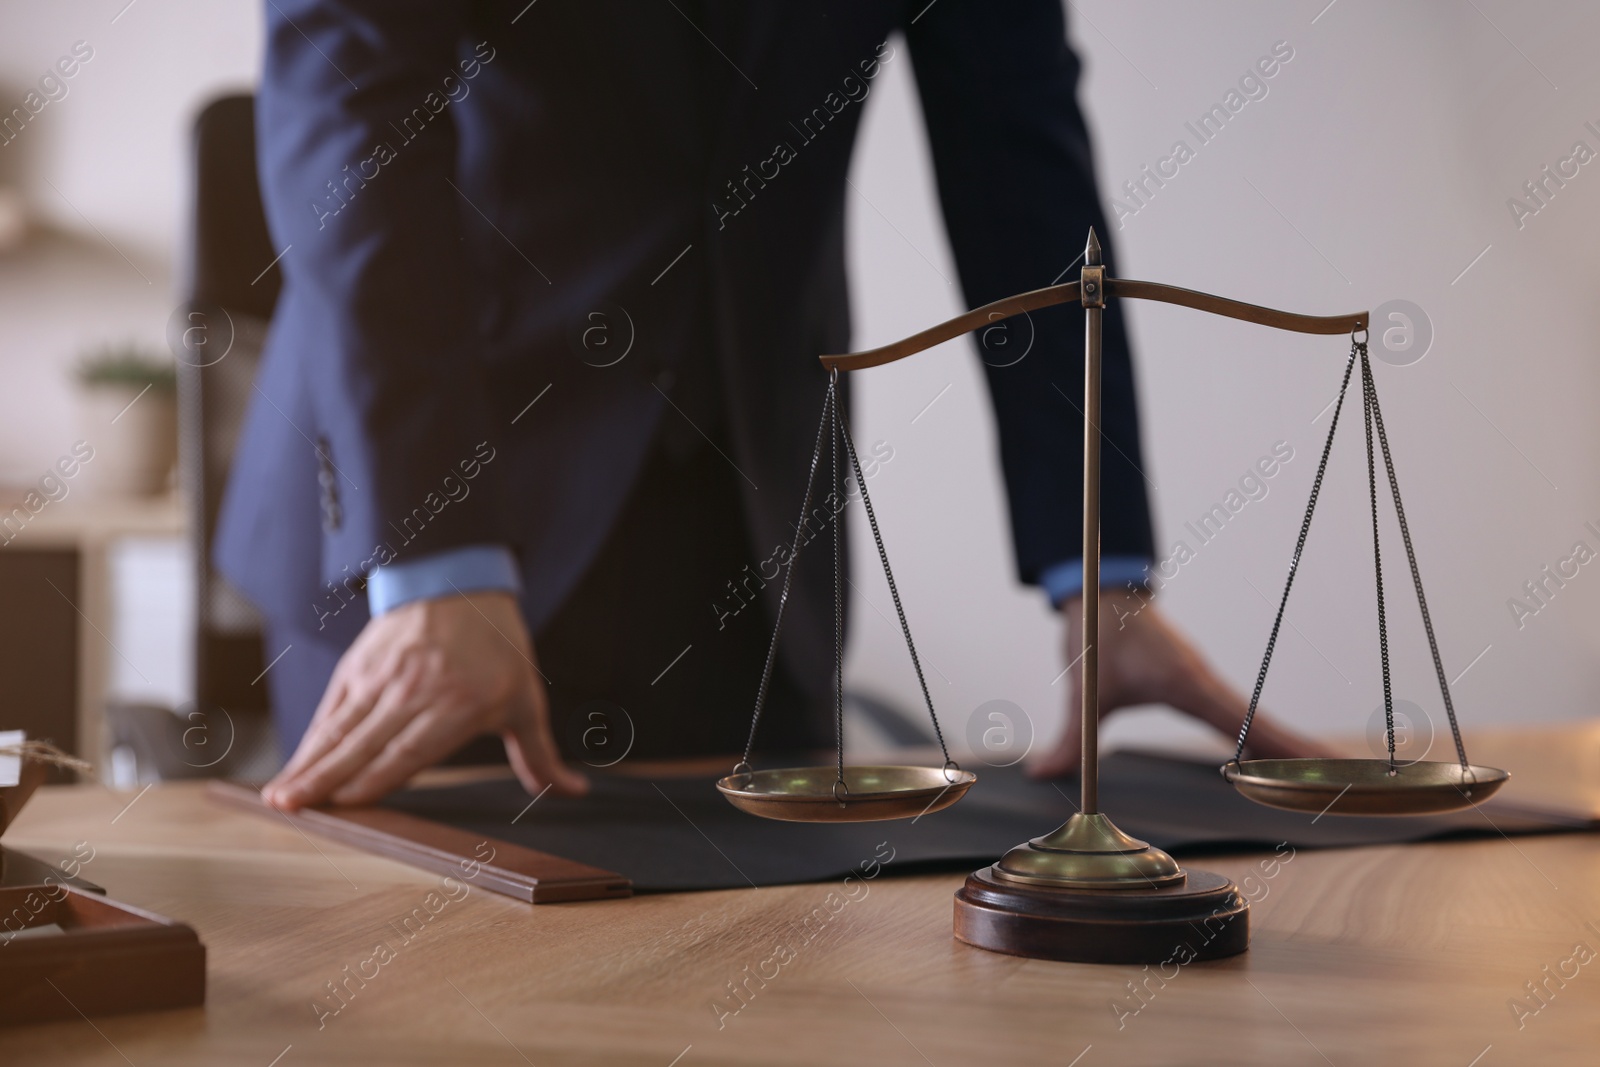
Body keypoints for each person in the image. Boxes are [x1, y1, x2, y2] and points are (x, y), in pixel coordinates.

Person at [215, 0, 1327, 813]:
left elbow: (1020, 171)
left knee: (755, 980)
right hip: (428, 502)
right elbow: (346, 121)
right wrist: (435, 545)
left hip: (746, 530)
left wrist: (1098, 568)